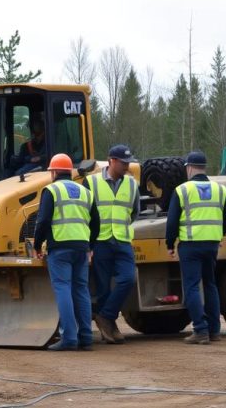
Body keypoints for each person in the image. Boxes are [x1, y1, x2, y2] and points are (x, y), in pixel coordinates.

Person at [165, 150, 226, 344]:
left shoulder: (182, 190)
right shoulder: (219, 189)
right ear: (204, 168)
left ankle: (200, 330)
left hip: (190, 245)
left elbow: (172, 221)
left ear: (189, 168)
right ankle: (214, 330)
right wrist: (219, 233)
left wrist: (169, 243)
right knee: (210, 284)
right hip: (212, 245)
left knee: (191, 287)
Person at [33, 153, 101, 351]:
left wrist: (37, 245)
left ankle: (69, 338)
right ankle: (86, 337)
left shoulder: (51, 190)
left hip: (60, 247)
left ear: (53, 172)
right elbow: (96, 223)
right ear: (70, 172)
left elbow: (43, 220)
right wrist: (91, 246)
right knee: (81, 289)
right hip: (81, 247)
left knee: (63, 288)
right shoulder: (85, 192)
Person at [86, 144, 139, 344]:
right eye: (123, 163)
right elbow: (86, 213)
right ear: (112, 161)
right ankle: (109, 325)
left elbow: (134, 211)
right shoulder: (91, 182)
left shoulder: (132, 184)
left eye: (128, 162)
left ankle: (106, 316)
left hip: (122, 240)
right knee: (103, 288)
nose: (127, 166)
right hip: (100, 241)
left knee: (128, 278)